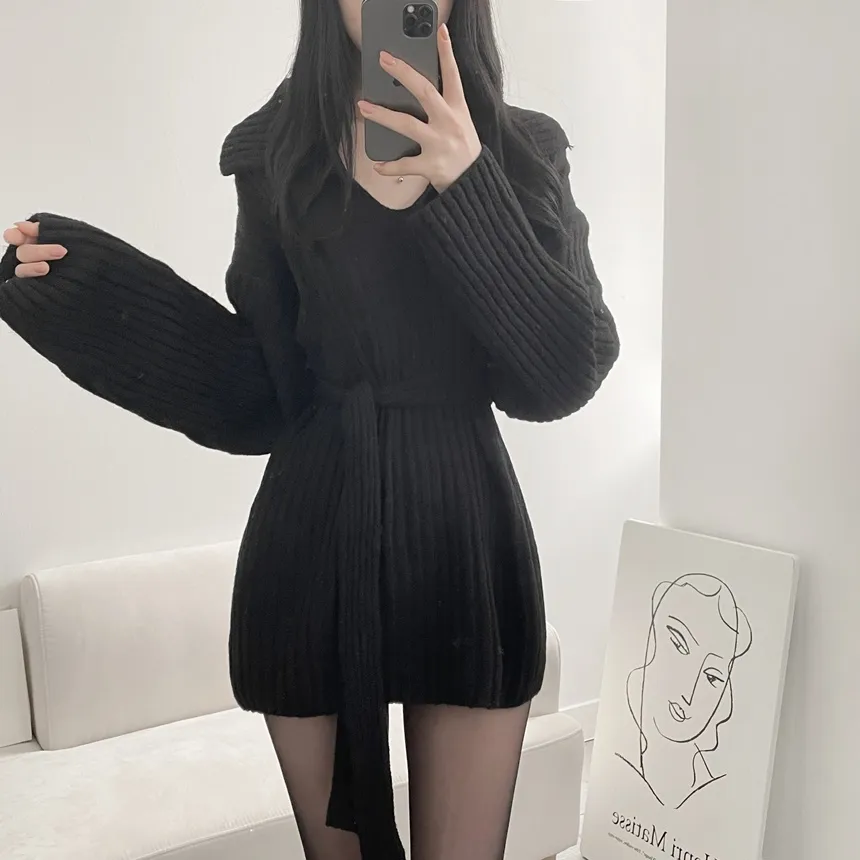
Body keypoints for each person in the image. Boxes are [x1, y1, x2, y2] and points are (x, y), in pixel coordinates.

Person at [0, 1, 619, 858]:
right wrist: (95, 298)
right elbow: (261, 394)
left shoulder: (523, 150)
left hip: (466, 541)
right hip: (313, 539)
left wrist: (470, 181)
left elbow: (562, 375)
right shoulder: (275, 154)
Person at [616, 574, 753, 810]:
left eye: (712, 677)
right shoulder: (615, 762)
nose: (688, 694)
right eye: (679, 645)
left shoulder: (712, 797)